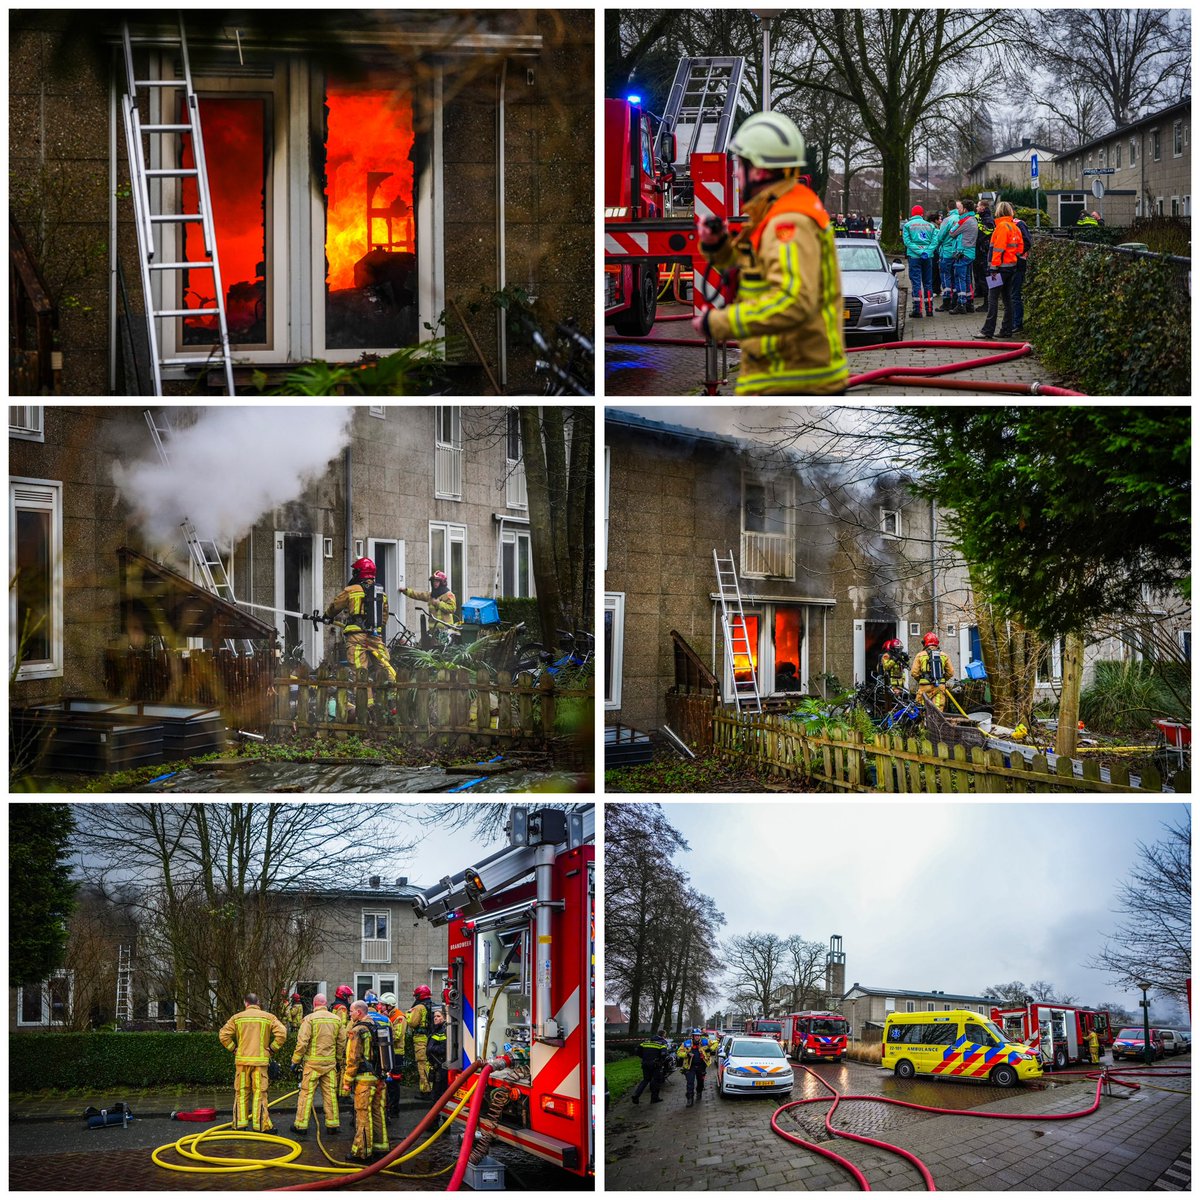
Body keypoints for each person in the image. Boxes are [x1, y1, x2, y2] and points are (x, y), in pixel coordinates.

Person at [692, 110, 847, 396]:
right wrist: (717, 246)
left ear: (759, 170)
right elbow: (751, 269)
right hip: (781, 376)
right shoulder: (775, 213)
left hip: (791, 381)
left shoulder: (788, 222)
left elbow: (792, 301)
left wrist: (719, 323)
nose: (736, 174)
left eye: (740, 165)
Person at [218, 992, 288, 1133]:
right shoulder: (268, 1017)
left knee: (241, 1093)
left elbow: (223, 1035)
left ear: (246, 1003)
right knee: (259, 1094)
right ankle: (261, 1126)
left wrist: (233, 1049)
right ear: (258, 1003)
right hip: (260, 1064)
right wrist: (272, 1049)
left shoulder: (237, 1018)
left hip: (242, 1062)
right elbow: (282, 1033)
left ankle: (240, 1125)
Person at [325, 557, 397, 685]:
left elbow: (335, 606)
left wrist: (327, 615)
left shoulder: (351, 590)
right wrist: (375, 629)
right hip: (375, 636)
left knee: (360, 672)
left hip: (356, 637)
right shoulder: (381, 593)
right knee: (385, 667)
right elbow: (384, 617)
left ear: (359, 572)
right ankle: (394, 693)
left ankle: (365, 698)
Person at [291, 992, 346, 1138]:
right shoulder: (336, 1020)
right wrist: (338, 1059)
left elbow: (302, 1043)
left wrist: (295, 1061)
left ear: (315, 1004)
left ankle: (301, 1126)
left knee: (306, 1094)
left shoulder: (309, 1019)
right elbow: (341, 1042)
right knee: (330, 1094)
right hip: (330, 1064)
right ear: (325, 1004)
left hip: (312, 1065)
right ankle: (332, 1125)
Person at [341, 1000, 388, 1162]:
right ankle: (381, 1148)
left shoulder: (357, 1030)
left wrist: (347, 1081)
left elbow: (352, 1058)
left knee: (362, 1115)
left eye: (351, 1011)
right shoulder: (377, 1026)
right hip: (379, 1078)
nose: (349, 1014)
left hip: (364, 1080)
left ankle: (362, 1152)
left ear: (359, 1012)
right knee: (377, 1112)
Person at [979, 200, 1023, 340]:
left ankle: (988, 330)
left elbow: (998, 249)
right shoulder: (1014, 227)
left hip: (998, 270)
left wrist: (993, 268)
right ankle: (1006, 329)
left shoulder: (1001, 227)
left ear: (999, 211)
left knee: (992, 298)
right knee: (1007, 299)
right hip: (1011, 268)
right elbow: (1020, 248)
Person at [902, 205, 937, 319]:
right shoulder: (930, 226)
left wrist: (919, 251)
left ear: (912, 214)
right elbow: (935, 241)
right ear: (922, 214)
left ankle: (917, 310)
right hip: (928, 257)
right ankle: (929, 309)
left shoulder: (907, 226)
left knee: (916, 283)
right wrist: (927, 251)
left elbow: (907, 242)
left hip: (914, 257)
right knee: (928, 283)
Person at [401, 571, 459, 639]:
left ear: (442, 582)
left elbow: (452, 608)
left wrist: (439, 604)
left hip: (445, 630)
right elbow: (418, 595)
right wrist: (405, 591)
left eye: (437, 581)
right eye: (434, 581)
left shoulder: (448, 595)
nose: (435, 583)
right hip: (433, 631)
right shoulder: (431, 595)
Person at [378, 992, 407, 1118]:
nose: (380, 1007)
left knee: (394, 1083)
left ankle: (394, 1110)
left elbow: (396, 1036)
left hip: (396, 1054)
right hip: (387, 1052)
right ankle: (387, 1107)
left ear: (389, 1006)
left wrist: (386, 1023)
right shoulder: (384, 1015)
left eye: (383, 1005)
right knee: (386, 1082)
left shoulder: (399, 1017)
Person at [909, 633, 955, 710]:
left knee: (923, 709)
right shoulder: (944, 655)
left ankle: (925, 718)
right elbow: (950, 672)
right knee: (937, 710)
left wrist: (921, 679)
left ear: (924, 643)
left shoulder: (920, 655)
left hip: (925, 687)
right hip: (939, 687)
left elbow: (914, 673)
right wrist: (942, 679)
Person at [406, 984, 435, 1094]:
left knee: (422, 1064)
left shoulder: (419, 1007)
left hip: (421, 1040)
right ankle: (433, 1088)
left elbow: (412, 1022)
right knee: (431, 1064)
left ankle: (426, 1091)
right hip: (432, 1038)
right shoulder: (433, 1006)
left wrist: (408, 1014)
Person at [630, 1030, 670, 1105]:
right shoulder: (662, 1042)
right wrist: (661, 1061)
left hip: (645, 1063)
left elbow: (637, 1051)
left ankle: (636, 1095)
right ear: (663, 1035)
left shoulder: (646, 1041)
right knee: (656, 1081)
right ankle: (654, 1098)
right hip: (656, 1065)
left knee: (645, 1080)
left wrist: (644, 1058)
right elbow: (664, 1054)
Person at [1010, 209, 1032, 333]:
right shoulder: (1003, 225)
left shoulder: (1019, 224)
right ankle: (1012, 321)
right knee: (1010, 294)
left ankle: (1017, 323)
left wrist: (1017, 255)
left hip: (1017, 263)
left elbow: (1027, 242)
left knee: (1015, 294)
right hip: (1006, 265)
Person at [679, 1032, 711, 1108]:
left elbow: (715, 1043)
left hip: (701, 1066)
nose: (697, 1037)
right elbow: (679, 1052)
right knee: (690, 1083)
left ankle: (699, 1092)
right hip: (690, 1067)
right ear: (693, 1036)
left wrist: (709, 1049)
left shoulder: (704, 1042)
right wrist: (687, 1054)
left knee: (700, 1082)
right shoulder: (686, 1043)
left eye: (698, 1036)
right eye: (696, 1036)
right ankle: (690, 1099)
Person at [973, 200, 995, 300]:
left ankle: (990, 298)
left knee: (988, 274)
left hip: (985, 251)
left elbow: (986, 232)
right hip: (981, 251)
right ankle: (981, 292)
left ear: (983, 207)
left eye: (978, 206)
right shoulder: (979, 218)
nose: (976, 208)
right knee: (979, 273)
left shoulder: (988, 219)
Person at [429, 1008, 449, 1094]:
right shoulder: (436, 1029)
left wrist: (431, 1048)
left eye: (438, 1016)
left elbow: (444, 1048)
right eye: (434, 1017)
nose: (435, 1018)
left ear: (444, 1018)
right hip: (436, 1064)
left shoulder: (444, 1030)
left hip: (442, 1063)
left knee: (440, 1089)